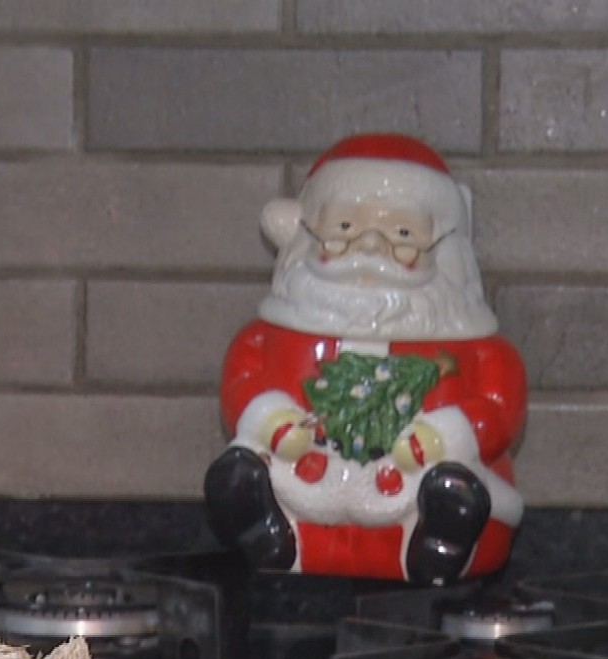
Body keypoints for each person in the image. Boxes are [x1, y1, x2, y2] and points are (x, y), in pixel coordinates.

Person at [204, 133, 527, 584]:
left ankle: (441, 538)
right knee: (249, 466)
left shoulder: (475, 346)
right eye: (344, 229)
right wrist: (268, 418)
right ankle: (264, 528)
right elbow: (244, 382)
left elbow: (498, 406)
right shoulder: (269, 335)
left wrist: (450, 433)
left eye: (402, 234)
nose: (371, 249)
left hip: (416, 472)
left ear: (446, 247)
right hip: (301, 471)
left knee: (453, 485)